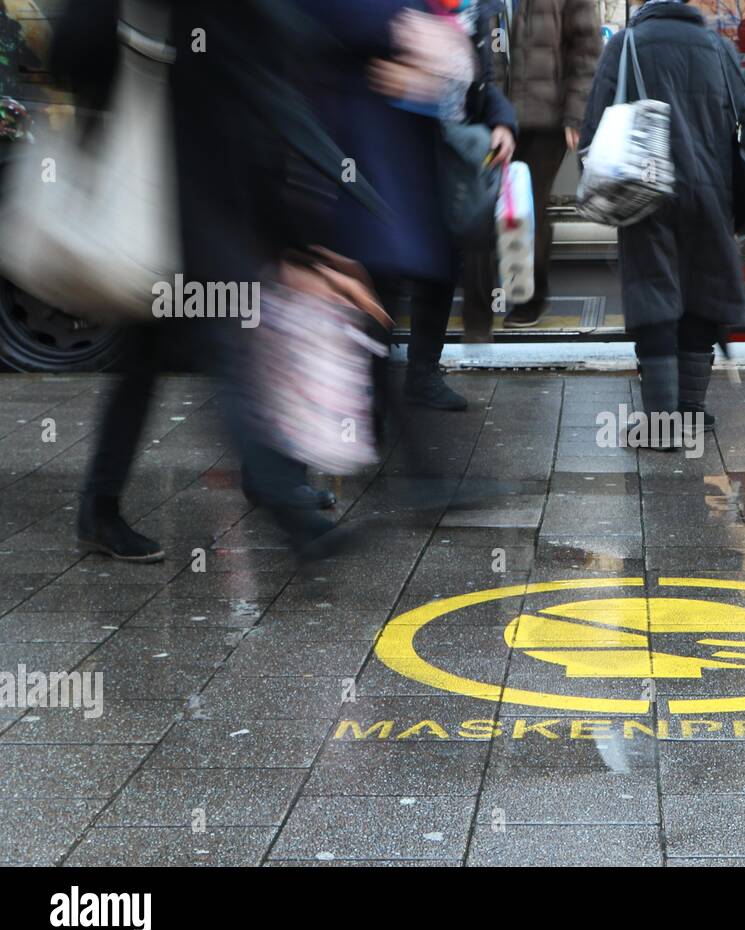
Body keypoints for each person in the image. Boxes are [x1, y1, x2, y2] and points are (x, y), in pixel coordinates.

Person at [56, 0, 370, 562]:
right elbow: (77, 48)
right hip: (171, 199)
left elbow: (267, 85)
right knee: (224, 346)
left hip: (197, 198)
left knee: (146, 359)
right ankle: (280, 501)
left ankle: (100, 508)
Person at [303, 0, 517, 414]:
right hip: (386, 156)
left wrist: (503, 120)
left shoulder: (473, 10)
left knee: (439, 268)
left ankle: (421, 375)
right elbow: (352, 58)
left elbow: (482, 83)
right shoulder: (396, 9)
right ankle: (370, 385)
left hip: (448, 160)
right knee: (381, 272)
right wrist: (411, 71)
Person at [579, 0, 745, 445]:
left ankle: (662, 426)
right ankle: (690, 414)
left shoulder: (626, 44)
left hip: (646, 189)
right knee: (702, 293)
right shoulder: (717, 48)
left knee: (654, 293)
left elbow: (593, 128)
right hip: (711, 190)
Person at [460, 0, 602, 335]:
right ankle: (479, 306)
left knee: (529, 208)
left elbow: (586, 48)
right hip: (488, 117)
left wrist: (575, 114)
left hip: (544, 119)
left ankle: (529, 298)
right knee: (479, 207)